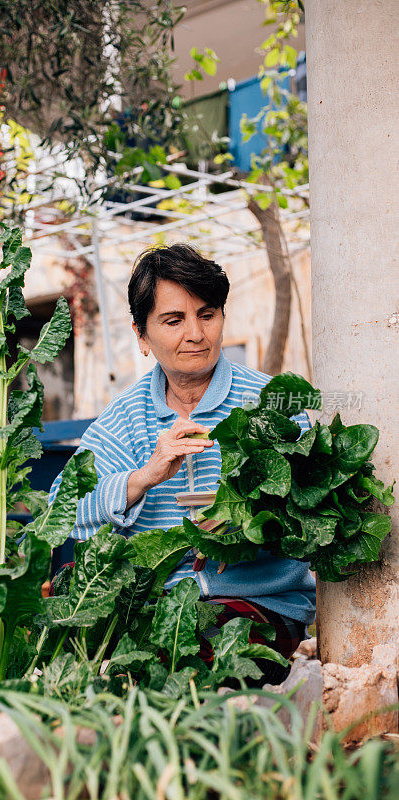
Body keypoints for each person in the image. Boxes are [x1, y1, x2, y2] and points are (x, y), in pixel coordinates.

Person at [49, 244, 316, 684]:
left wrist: (250, 522)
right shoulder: (126, 418)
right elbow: (61, 514)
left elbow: (315, 516)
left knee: (189, 667)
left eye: (207, 314)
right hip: (151, 608)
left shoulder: (270, 404)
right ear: (141, 335)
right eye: (174, 321)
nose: (196, 333)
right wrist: (143, 478)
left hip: (261, 605)